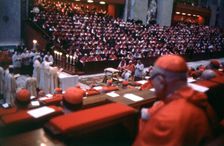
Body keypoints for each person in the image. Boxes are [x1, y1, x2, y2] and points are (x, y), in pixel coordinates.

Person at [133, 55, 217, 146]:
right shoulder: (200, 100)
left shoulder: (165, 120)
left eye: (153, 80)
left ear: (161, 81)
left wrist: (145, 122)